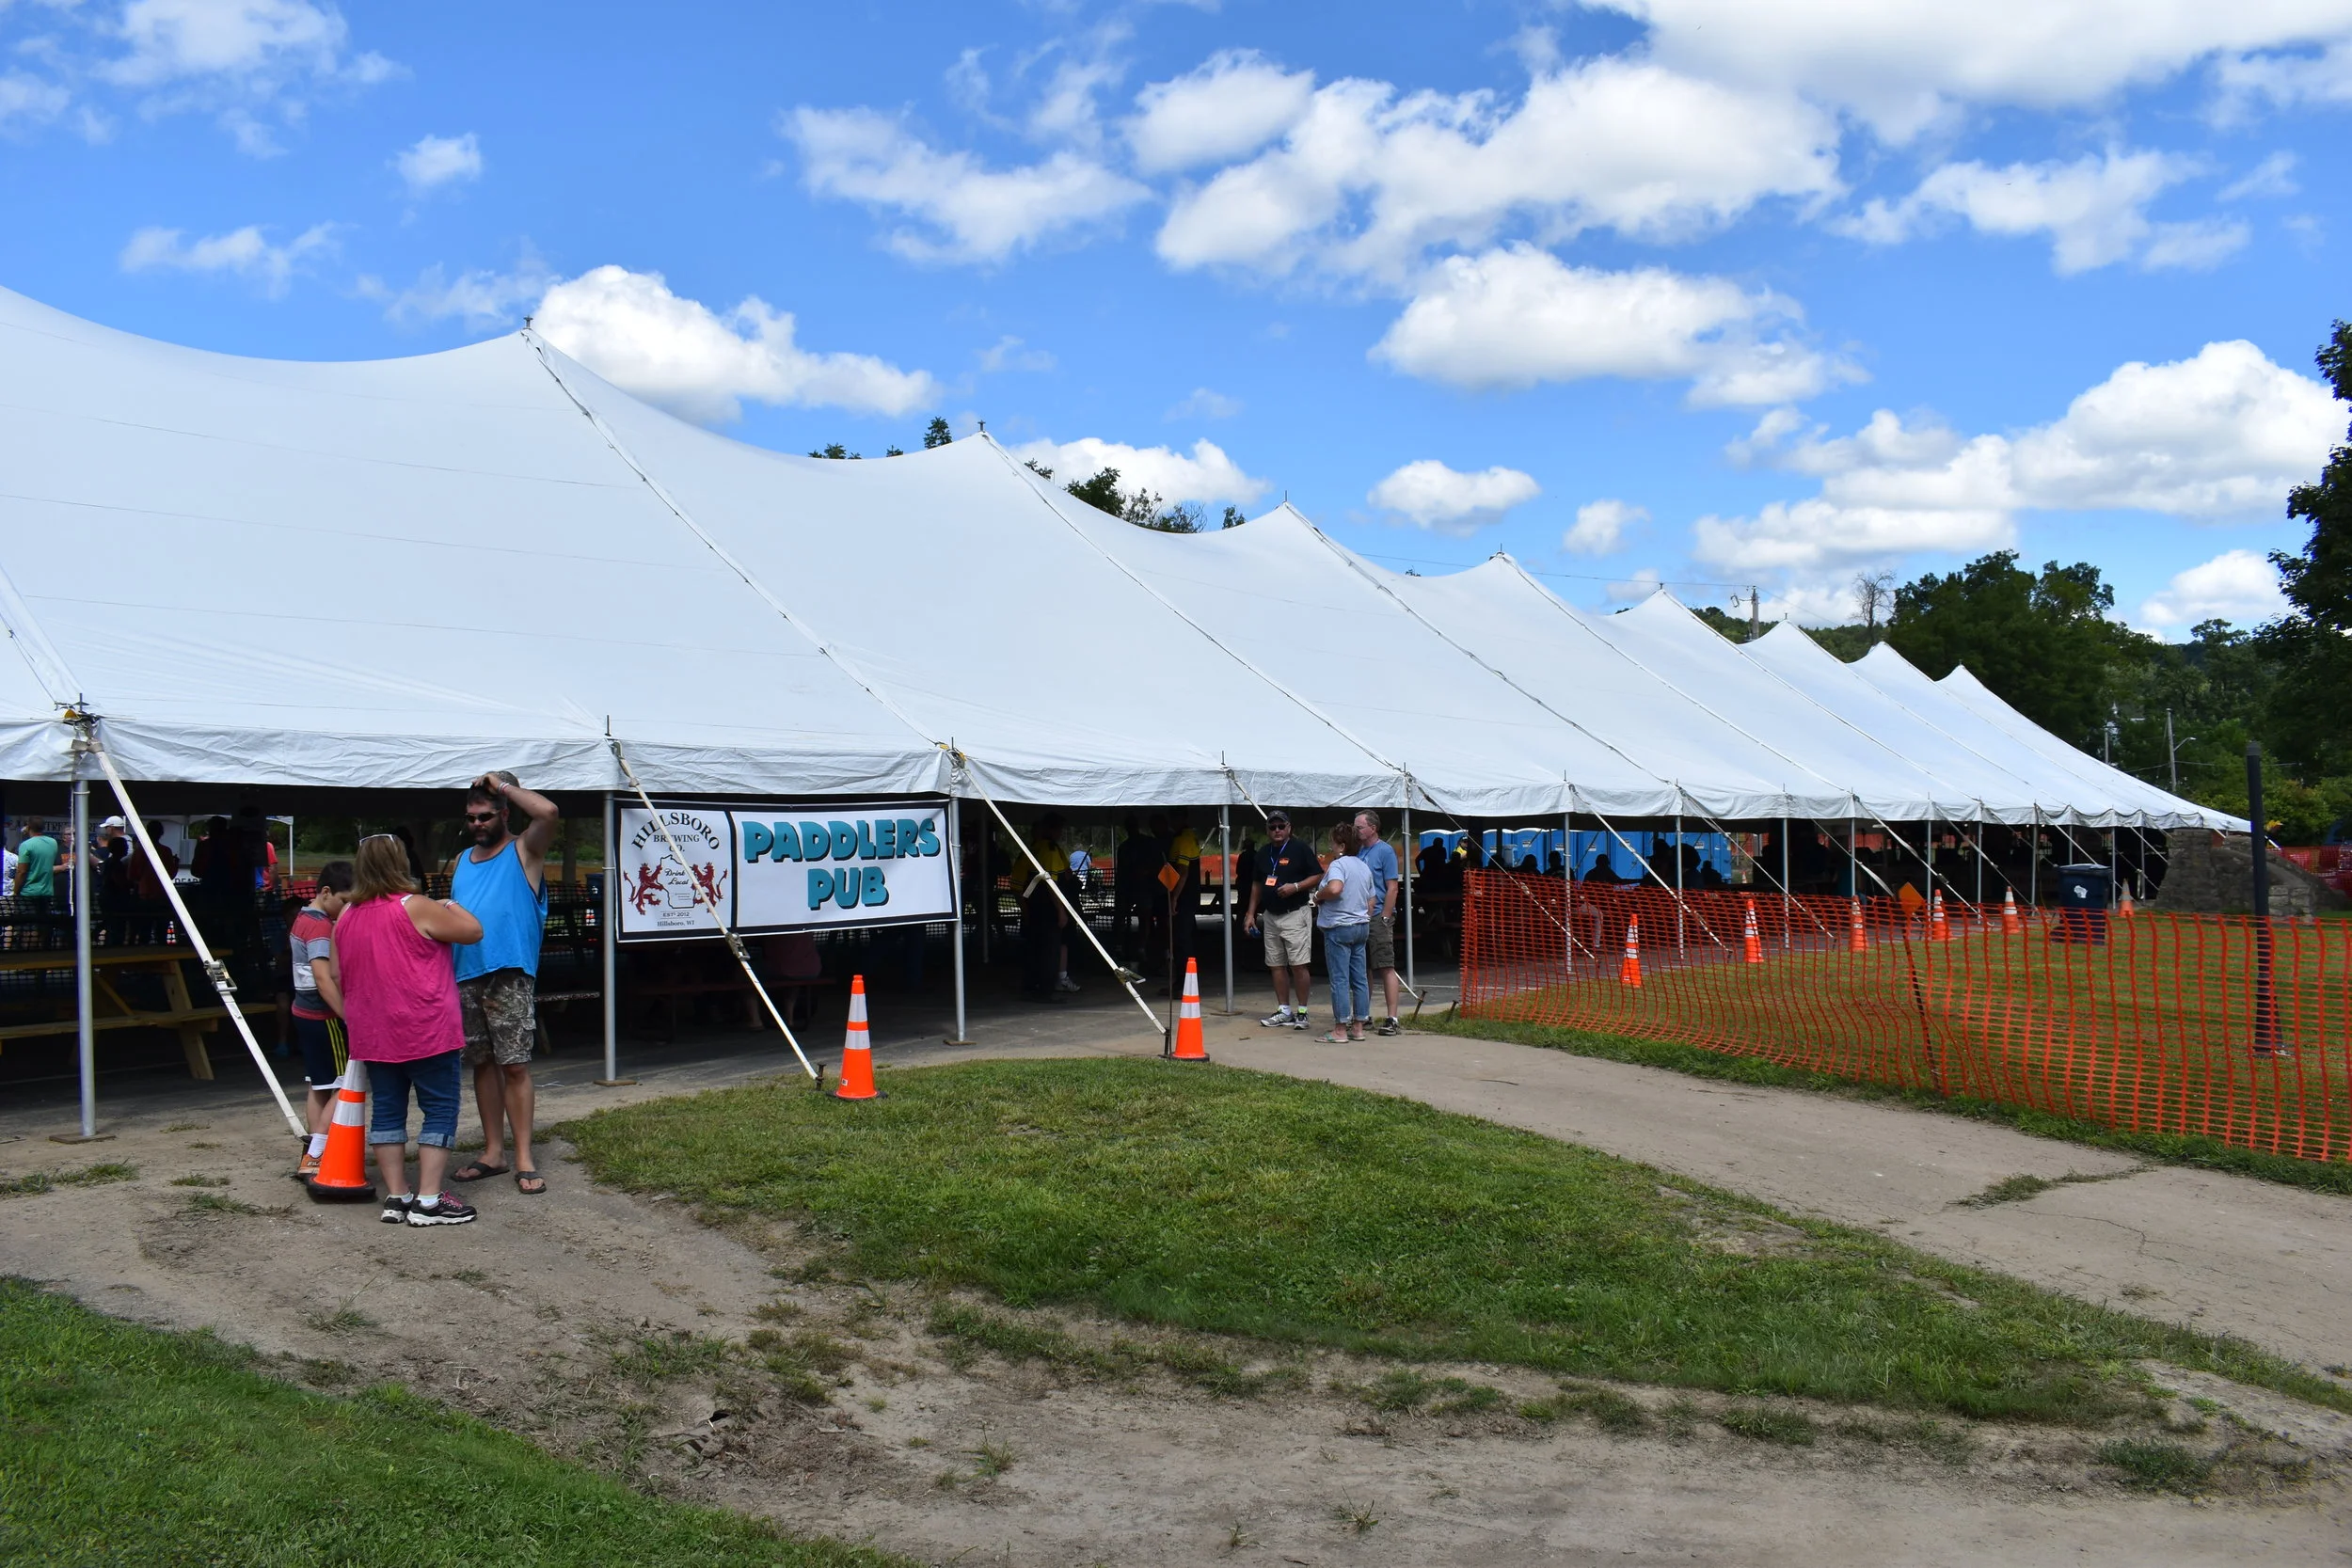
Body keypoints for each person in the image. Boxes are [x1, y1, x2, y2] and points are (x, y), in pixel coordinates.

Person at [333, 834, 483, 1227]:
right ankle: (430, 1201)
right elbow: (472, 931)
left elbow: (335, 972)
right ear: (402, 863)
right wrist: (448, 903)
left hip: (374, 1032)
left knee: (387, 1110)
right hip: (426, 1027)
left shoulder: (346, 916)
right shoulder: (416, 906)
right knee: (439, 1108)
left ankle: (397, 1196)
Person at [449, 772, 559, 1196]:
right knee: (482, 1063)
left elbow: (547, 811)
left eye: (485, 816)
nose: (477, 824)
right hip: (465, 973)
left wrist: (504, 784)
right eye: (471, 817)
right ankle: (493, 1152)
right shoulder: (461, 860)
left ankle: (524, 1157)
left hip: (509, 973)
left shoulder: (525, 850)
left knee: (515, 1064)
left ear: (504, 813)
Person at [290, 861, 355, 1179]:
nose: (346, 910)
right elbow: (322, 977)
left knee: (319, 1084)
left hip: (303, 1012)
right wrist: (347, 1015)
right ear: (326, 892)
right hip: (323, 1015)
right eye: (344, 902)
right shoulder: (319, 926)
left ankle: (313, 1152)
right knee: (345, 1084)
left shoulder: (303, 917)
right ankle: (317, 1150)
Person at [1243, 811, 1319, 1029]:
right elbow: (1257, 884)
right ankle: (1284, 1010)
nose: (1277, 830)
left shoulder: (1300, 849)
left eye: (1281, 826)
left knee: (1298, 964)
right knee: (1276, 964)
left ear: (1289, 828)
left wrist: (1295, 887)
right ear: (1267, 830)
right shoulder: (1263, 853)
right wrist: (1250, 913)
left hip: (1295, 913)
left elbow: (1317, 875)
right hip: (1271, 915)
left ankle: (1302, 1011)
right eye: (1272, 827)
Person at [1313, 823, 1374, 1044]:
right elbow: (1371, 899)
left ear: (1341, 845)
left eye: (1332, 843)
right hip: (1361, 925)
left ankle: (1340, 1029)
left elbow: (1335, 888)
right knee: (1359, 979)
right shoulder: (1363, 866)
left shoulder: (1338, 865)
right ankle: (1358, 1027)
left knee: (1339, 979)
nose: (1331, 846)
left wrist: (1319, 895)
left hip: (1339, 926)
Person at [1354, 811, 1405, 1036]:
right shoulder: (1360, 851)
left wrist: (1385, 916)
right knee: (1363, 969)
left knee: (1385, 965)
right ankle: (1363, 1015)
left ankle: (1392, 1017)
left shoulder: (1384, 851)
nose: (1356, 831)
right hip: (1360, 916)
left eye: (1360, 827)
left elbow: (1392, 886)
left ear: (1373, 828)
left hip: (1378, 916)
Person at [1014, 816, 1068, 1004]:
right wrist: (1061, 910)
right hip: (1048, 908)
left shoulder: (1027, 852)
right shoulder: (1050, 850)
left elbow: (1016, 886)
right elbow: (1051, 884)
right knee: (1050, 951)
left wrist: (1025, 910)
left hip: (1032, 907)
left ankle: (1030, 986)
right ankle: (1046, 990)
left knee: (1033, 948)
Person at [12, 819, 58, 928]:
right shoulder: (53, 843)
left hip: (28, 893)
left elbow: (22, 871)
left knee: (27, 926)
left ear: (28, 827)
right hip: (47, 892)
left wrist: (15, 892)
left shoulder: (26, 845)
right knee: (43, 925)